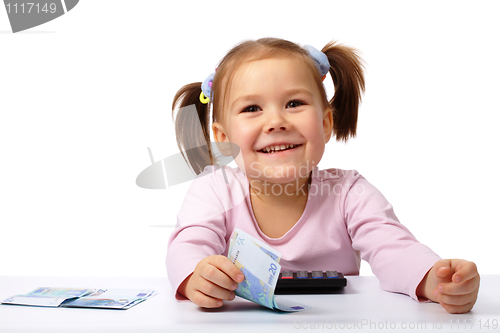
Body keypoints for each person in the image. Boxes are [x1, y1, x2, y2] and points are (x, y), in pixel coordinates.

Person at [166, 38, 479, 314]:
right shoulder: (214, 191)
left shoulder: (349, 193)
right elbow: (188, 245)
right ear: (222, 138)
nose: (276, 121)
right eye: (252, 109)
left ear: (326, 122)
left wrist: (433, 278)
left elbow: (393, 249)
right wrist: (196, 275)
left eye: (294, 103)